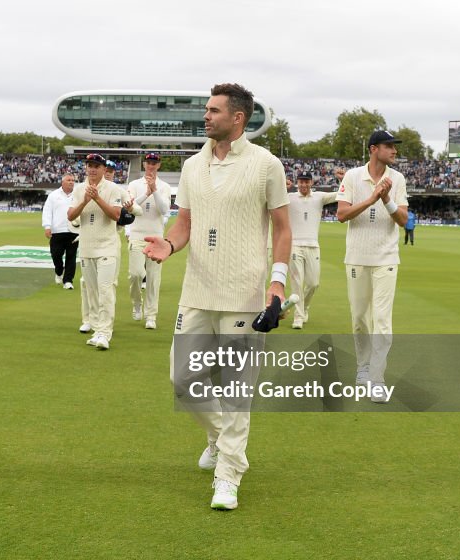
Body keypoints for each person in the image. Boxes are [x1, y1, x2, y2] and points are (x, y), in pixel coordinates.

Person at [144, 83, 290, 510]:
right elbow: (185, 223)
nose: (205, 117)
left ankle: (228, 475)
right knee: (182, 381)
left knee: (236, 392)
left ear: (237, 118)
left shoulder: (266, 164)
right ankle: (217, 438)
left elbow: (282, 229)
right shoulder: (192, 166)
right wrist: (168, 246)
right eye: (206, 110)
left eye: (213, 111)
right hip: (196, 290)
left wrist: (277, 285)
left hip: (244, 294)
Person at [335, 130, 409, 404]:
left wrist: (387, 198)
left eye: (394, 147)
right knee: (359, 319)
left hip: (386, 259)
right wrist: (371, 198)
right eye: (389, 146)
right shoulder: (354, 177)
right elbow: (341, 214)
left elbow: (402, 220)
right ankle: (362, 368)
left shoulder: (397, 179)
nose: (394, 151)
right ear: (373, 149)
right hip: (357, 257)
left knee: (382, 319)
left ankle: (377, 379)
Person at [68, 153, 139, 350]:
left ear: (102, 169)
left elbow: (116, 215)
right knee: (92, 292)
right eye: (89, 165)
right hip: (87, 248)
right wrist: (84, 200)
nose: (92, 169)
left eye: (96, 166)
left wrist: (97, 198)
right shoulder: (79, 189)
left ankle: (105, 334)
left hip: (107, 246)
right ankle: (98, 330)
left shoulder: (113, 188)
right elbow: (71, 215)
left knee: (106, 290)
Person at [285, 170, 340, 330]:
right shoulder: (289, 197)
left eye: (306, 181)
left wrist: (342, 181)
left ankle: (305, 307)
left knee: (313, 283)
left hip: (313, 246)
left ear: (311, 183)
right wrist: (284, 187)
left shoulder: (319, 197)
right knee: (296, 283)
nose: (304, 184)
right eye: (301, 181)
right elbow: (271, 196)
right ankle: (298, 316)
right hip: (294, 245)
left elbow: (341, 194)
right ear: (297, 183)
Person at [125, 152, 171, 330]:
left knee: (153, 278)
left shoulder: (165, 186)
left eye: (155, 163)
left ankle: (151, 315)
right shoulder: (134, 184)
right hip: (137, 235)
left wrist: (155, 191)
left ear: (159, 165)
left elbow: (164, 209)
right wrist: (147, 193)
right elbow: (130, 206)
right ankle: (137, 303)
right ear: (144, 164)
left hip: (156, 238)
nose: (151, 165)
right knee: (136, 274)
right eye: (149, 162)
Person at [42, 173, 78, 289]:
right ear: (62, 182)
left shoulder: (78, 195)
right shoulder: (53, 195)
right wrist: (47, 226)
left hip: (74, 230)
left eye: (73, 180)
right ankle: (59, 271)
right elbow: (47, 211)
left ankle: (68, 281)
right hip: (57, 231)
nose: (71, 182)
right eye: (68, 180)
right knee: (56, 255)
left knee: (71, 257)